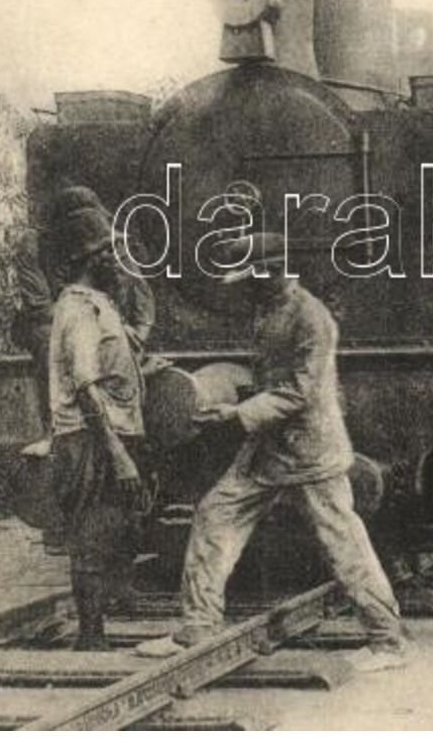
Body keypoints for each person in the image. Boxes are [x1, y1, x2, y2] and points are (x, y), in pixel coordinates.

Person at [138, 233, 406, 667]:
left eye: (249, 277)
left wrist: (237, 415)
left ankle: (388, 641)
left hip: (310, 453)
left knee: (344, 544)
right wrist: (234, 407)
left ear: (270, 270)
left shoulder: (312, 318)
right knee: (214, 515)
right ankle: (198, 627)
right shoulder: (267, 308)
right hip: (267, 450)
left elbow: (299, 391)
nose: (243, 287)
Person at [47, 207, 147, 651]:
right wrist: (118, 453)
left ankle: (103, 621)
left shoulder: (97, 304)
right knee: (90, 533)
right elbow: (86, 386)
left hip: (106, 434)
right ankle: (91, 638)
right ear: (92, 258)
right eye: (109, 251)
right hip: (90, 439)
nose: (117, 258)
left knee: (110, 527)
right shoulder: (78, 310)